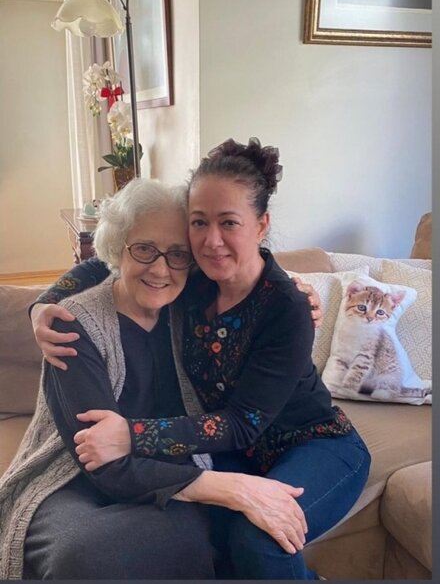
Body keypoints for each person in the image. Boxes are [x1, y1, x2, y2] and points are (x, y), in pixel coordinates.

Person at [31, 138, 371, 580]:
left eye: (229, 222)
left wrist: (132, 435)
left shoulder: (285, 306)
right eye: (199, 223)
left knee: (259, 539)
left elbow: (242, 423)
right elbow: (116, 253)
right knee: (210, 531)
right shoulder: (193, 280)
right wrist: (43, 303)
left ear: (261, 225)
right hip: (228, 454)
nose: (212, 241)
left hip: (310, 443)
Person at [0, 179, 311, 580]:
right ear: (118, 247)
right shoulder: (74, 324)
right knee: (79, 555)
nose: (160, 269)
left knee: (182, 537)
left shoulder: (192, 307)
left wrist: (296, 293)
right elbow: (102, 461)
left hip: (168, 473)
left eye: (177, 254)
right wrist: (228, 487)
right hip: (73, 479)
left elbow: (251, 275)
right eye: (144, 249)